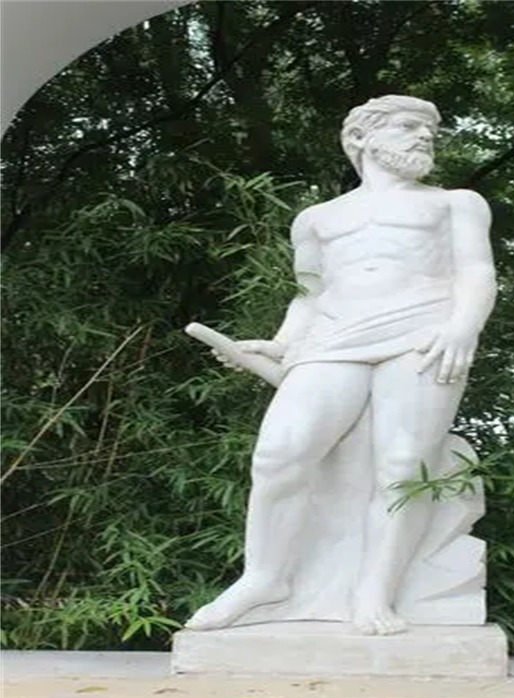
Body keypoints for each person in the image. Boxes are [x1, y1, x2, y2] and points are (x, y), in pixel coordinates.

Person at [185, 95, 497, 636]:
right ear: (360, 138)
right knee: (280, 453)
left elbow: (476, 271)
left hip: (423, 331)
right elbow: (309, 294)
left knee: (403, 467)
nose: (425, 136)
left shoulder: (455, 203)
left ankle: (375, 593)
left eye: (430, 129)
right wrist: (281, 345)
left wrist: (463, 326)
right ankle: (264, 578)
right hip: (333, 337)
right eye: (408, 126)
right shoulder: (317, 218)